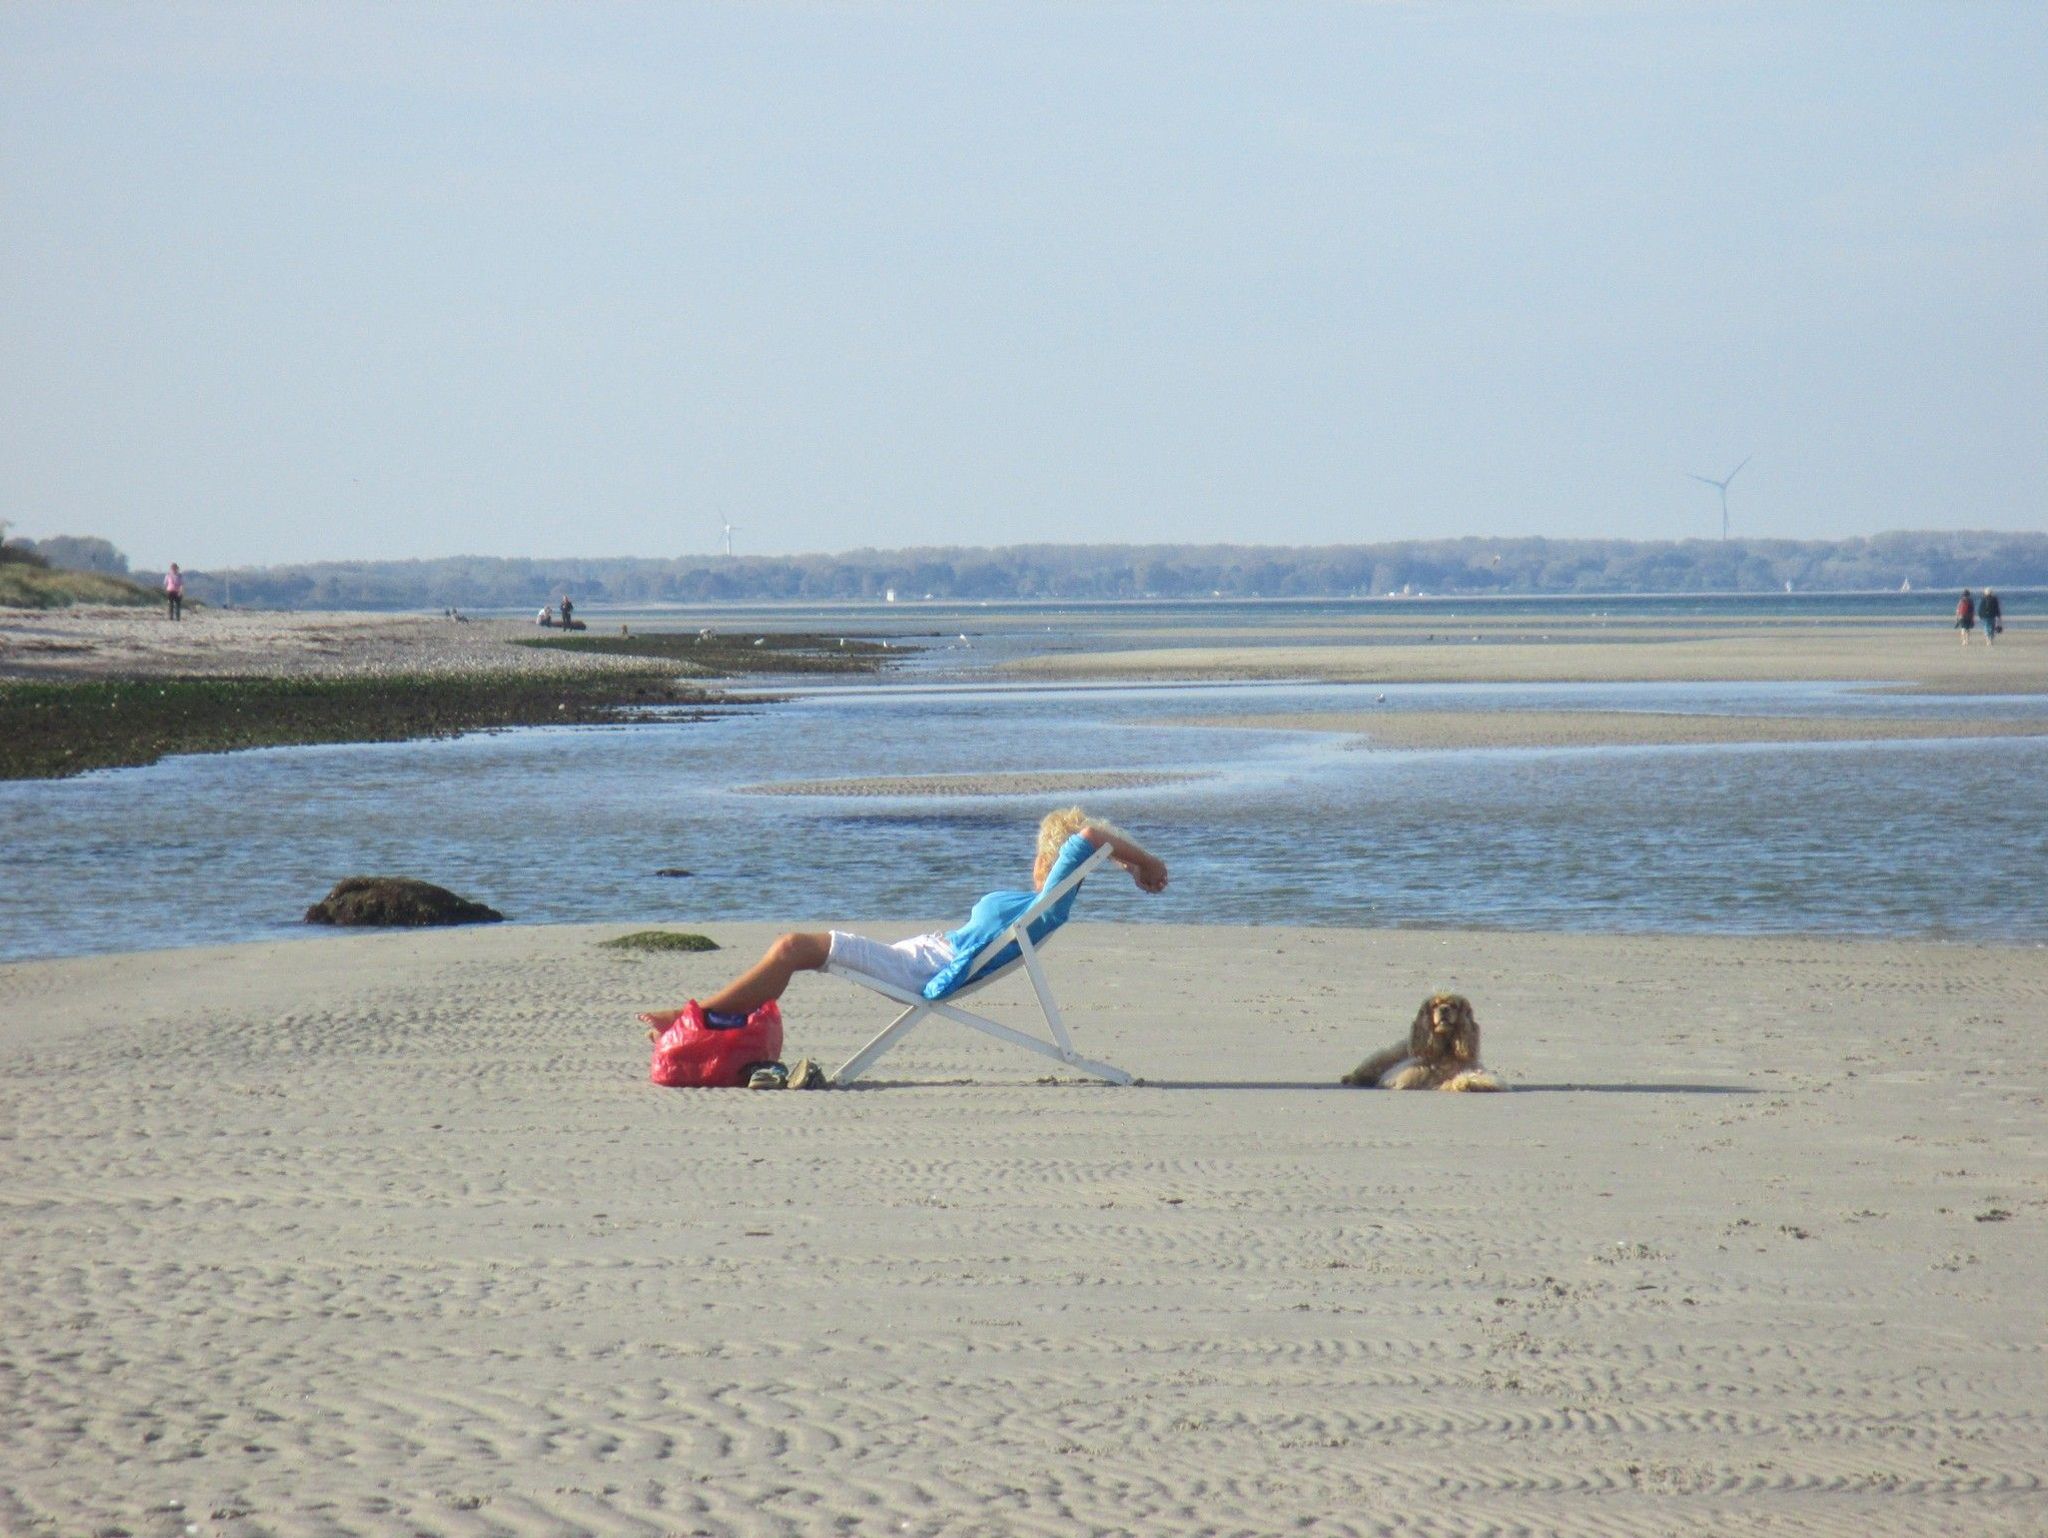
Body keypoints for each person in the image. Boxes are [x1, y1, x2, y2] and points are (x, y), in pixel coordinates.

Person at [646, 808, 1168, 1037]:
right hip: (920, 957)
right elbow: (1091, 844)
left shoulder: (1049, 901)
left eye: (1038, 854)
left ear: (1049, 861)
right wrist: (1130, 865)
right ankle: (709, 1020)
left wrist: (1145, 863)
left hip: (921, 968)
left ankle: (693, 1017)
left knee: (791, 948)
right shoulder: (1043, 903)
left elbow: (1090, 837)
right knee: (794, 949)